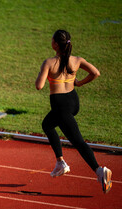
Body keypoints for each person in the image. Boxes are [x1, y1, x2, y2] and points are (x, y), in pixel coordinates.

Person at [35, 30, 112, 194]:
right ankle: (60, 162)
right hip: (73, 102)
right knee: (47, 124)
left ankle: (99, 171)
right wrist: (80, 83)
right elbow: (95, 73)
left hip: (61, 106)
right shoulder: (77, 60)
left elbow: (39, 86)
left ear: (55, 44)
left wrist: (44, 74)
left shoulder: (48, 62)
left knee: (77, 141)